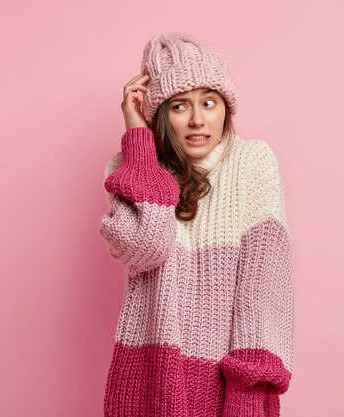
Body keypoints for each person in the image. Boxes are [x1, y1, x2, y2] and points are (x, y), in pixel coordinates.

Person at [99, 32, 294, 417]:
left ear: (226, 107)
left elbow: (265, 284)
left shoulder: (252, 162)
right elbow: (144, 247)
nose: (197, 119)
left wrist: (248, 389)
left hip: (232, 383)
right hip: (151, 375)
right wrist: (139, 138)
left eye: (209, 102)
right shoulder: (131, 168)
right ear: (159, 113)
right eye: (179, 106)